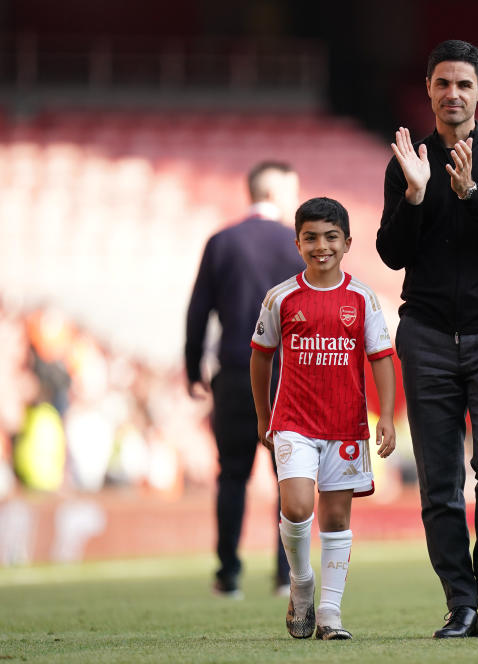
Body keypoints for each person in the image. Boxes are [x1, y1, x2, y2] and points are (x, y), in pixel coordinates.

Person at [376, 39, 478, 639]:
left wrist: (469, 193)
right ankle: (461, 600)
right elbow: (392, 253)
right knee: (438, 479)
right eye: (443, 83)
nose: (453, 94)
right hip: (427, 335)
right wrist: (416, 195)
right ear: (428, 89)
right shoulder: (406, 161)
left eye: (464, 84)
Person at [250, 196, 396, 640]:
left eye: (331, 237)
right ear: (297, 243)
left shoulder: (362, 298)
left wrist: (385, 415)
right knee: (296, 506)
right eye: (311, 237)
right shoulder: (282, 297)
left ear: (347, 242)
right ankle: (301, 582)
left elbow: (382, 358)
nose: (321, 246)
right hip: (293, 421)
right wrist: (263, 416)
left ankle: (330, 613)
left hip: (345, 424)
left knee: (336, 520)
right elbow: (260, 358)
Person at [185, 161, 302, 598]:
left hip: (234, 372)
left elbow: (198, 310)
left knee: (231, 474)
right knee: (289, 476)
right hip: (288, 375)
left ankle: (228, 574)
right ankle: (284, 575)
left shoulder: (221, 241)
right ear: (275, 193)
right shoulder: (297, 244)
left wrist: (194, 364)